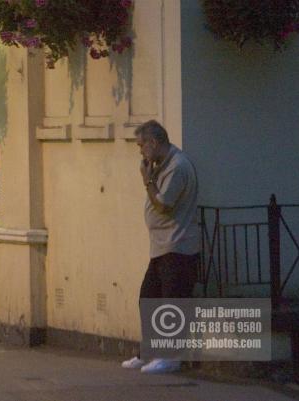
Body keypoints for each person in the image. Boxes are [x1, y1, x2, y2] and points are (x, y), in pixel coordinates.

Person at [121, 120, 200, 374]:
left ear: (154, 143)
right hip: (161, 246)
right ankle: (150, 353)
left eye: (142, 145)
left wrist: (147, 181)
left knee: (171, 302)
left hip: (177, 245)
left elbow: (164, 205)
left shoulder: (177, 167)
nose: (141, 151)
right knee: (149, 298)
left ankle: (172, 357)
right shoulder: (162, 166)